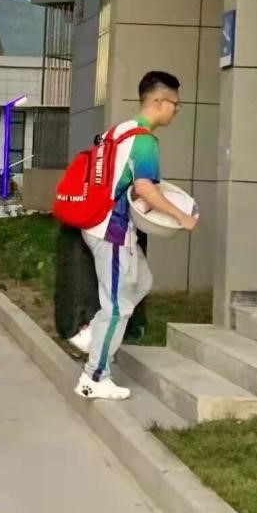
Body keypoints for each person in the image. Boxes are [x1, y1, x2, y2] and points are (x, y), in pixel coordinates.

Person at [74, 71, 198, 401]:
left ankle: (92, 335)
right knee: (117, 306)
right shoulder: (144, 141)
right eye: (175, 104)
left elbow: (118, 181)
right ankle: (94, 378)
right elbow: (144, 187)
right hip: (111, 231)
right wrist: (182, 216)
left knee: (141, 281)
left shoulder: (118, 132)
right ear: (158, 101)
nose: (176, 110)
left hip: (96, 224)